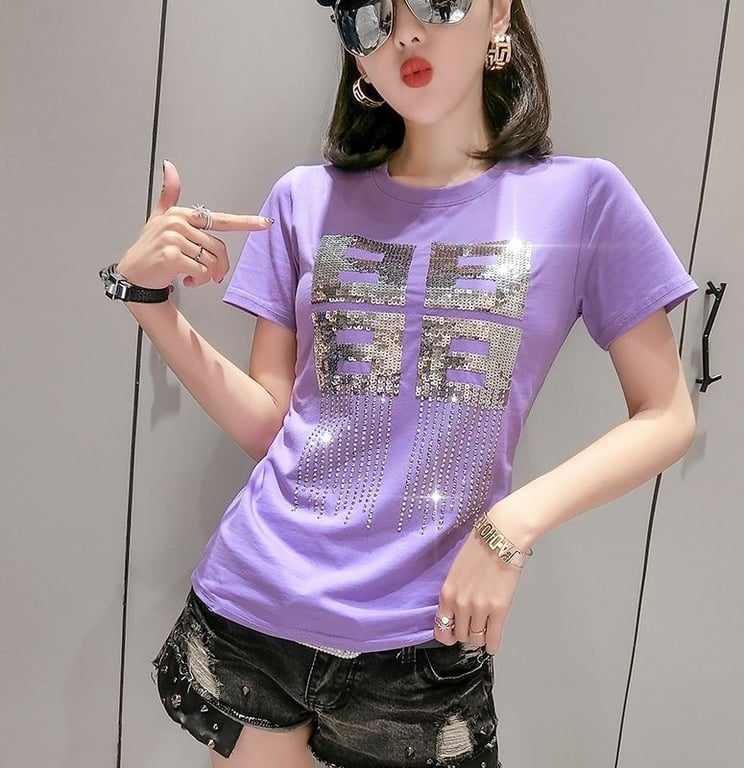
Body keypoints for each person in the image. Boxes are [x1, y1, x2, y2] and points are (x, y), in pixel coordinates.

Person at [99, 1, 699, 766]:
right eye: (371, 18)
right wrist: (150, 304)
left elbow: (667, 414)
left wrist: (511, 526)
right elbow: (271, 425)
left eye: (439, 2)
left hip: (421, 638)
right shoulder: (304, 198)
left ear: (499, 12)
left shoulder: (584, 200)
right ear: (355, 53)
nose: (406, 33)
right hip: (260, 605)